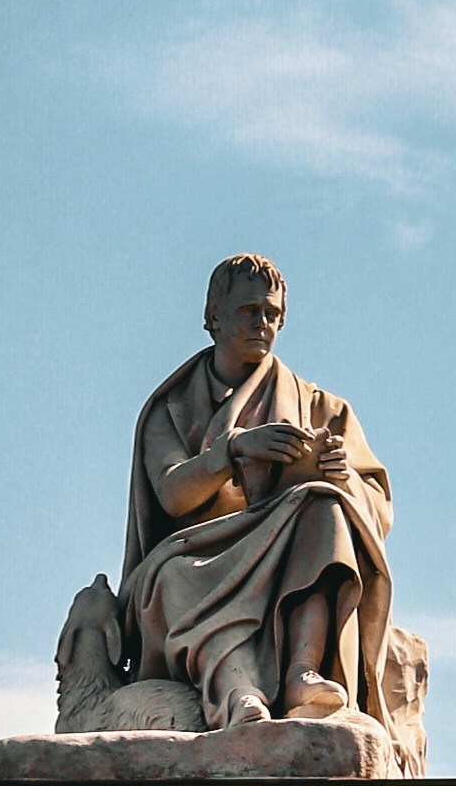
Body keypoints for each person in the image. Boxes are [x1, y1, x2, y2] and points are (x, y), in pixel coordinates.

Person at [121, 256, 401, 734]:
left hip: (288, 549)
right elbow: (171, 495)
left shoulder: (320, 408)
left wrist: (341, 477)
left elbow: (376, 505)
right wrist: (229, 453)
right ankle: (237, 690)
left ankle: (302, 671)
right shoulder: (169, 407)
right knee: (174, 579)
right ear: (213, 317)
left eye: (272, 313)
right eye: (249, 310)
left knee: (326, 507)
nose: (262, 323)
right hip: (199, 554)